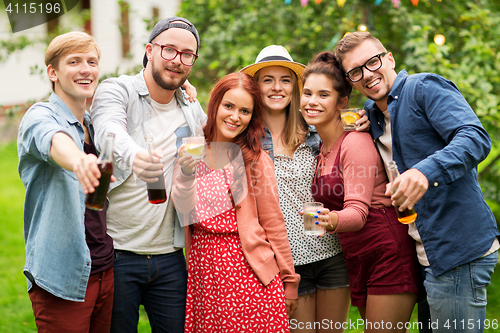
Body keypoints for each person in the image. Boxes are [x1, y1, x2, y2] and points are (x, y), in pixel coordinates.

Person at [334, 31, 499, 332]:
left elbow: (475, 138)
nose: (367, 75)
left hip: (456, 250)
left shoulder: (423, 88)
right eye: (356, 72)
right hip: (424, 256)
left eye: (372, 62)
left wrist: (424, 172)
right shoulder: (374, 115)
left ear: (390, 58)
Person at [90, 17, 207, 333]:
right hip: (117, 254)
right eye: (170, 50)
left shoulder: (191, 108)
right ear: (150, 50)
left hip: (171, 256)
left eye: (187, 55)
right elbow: (107, 129)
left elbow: (220, 140)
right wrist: (135, 155)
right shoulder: (118, 90)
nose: (177, 60)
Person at [300, 51, 420, 332]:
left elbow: (357, 214)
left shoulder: (354, 142)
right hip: (358, 255)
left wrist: (329, 220)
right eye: (307, 93)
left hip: (386, 250)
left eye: (323, 95)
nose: (312, 102)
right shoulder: (321, 148)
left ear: (342, 101)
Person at [171, 72, 299, 332]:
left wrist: (290, 281)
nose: (235, 116)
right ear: (215, 104)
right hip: (205, 272)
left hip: (248, 272)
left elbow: (274, 223)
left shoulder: (255, 159)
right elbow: (183, 208)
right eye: (228, 106)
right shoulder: (192, 150)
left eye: (245, 111)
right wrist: (185, 171)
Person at [240, 45, 351, 332]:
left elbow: (348, 125)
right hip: (287, 264)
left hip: (330, 254)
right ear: (256, 87)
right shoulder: (243, 140)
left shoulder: (315, 131)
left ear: (294, 87)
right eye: (268, 80)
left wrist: (359, 121)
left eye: (285, 80)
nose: (277, 87)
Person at [17, 31, 114, 332]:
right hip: (62, 277)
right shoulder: (39, 115)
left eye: (92, 61)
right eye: (74, 61)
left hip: (105, 271)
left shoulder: (94, 123)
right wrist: (79, 160)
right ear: (53, 72)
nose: (86, 69)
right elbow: (52, 139)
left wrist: (182, 88)